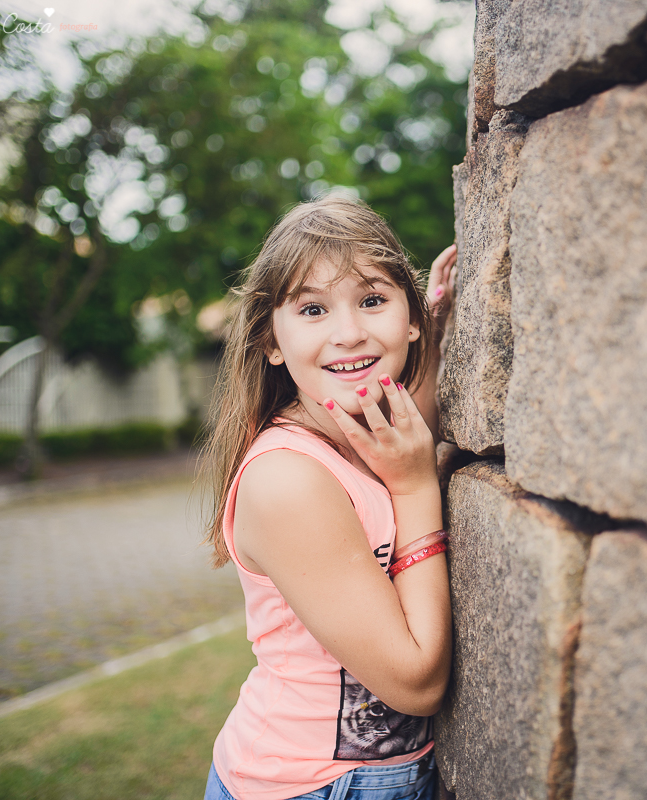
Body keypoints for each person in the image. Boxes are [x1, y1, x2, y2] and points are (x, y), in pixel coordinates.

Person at [199, 195, 457, 800]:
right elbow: (417, 684)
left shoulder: (360, 429)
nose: (349, 333)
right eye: (312, 309)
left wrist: (443, 337)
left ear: (410, 316)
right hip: (306, 786)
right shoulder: (286, 480)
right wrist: (416, 486)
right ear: (272, 343)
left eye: (373, 300)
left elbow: (420, 415)